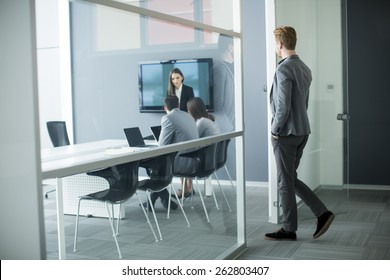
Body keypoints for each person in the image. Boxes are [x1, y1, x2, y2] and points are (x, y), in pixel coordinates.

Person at [266, 26, 335, 241]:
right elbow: (303, 104)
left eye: (275, 44)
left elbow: (282, 105)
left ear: (279, 44)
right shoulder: (304, 68)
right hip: (302, 130)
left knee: (284, 182)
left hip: (285, 134)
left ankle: (289, 229)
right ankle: (322, 214)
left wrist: (275, 130)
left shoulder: (284, 69)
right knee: (291, 179)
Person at [155, 95, 199, 202]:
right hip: (196, 160)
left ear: (165, 108)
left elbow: (162, 146)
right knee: (156, 169)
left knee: (154, 168)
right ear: (178, 105)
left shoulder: (167, 118)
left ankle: (163, 198)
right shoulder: (188, 116)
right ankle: (162, 198)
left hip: (182, 163)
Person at [187, 97, 220, 197]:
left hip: (206, 162)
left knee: (180, 157)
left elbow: (193, 138)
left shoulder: (202, 122)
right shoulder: (208, 120)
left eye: (188, 110)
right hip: (213, 158)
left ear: (192, 110)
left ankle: (186, 190)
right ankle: (187, 189)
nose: (187, 112)